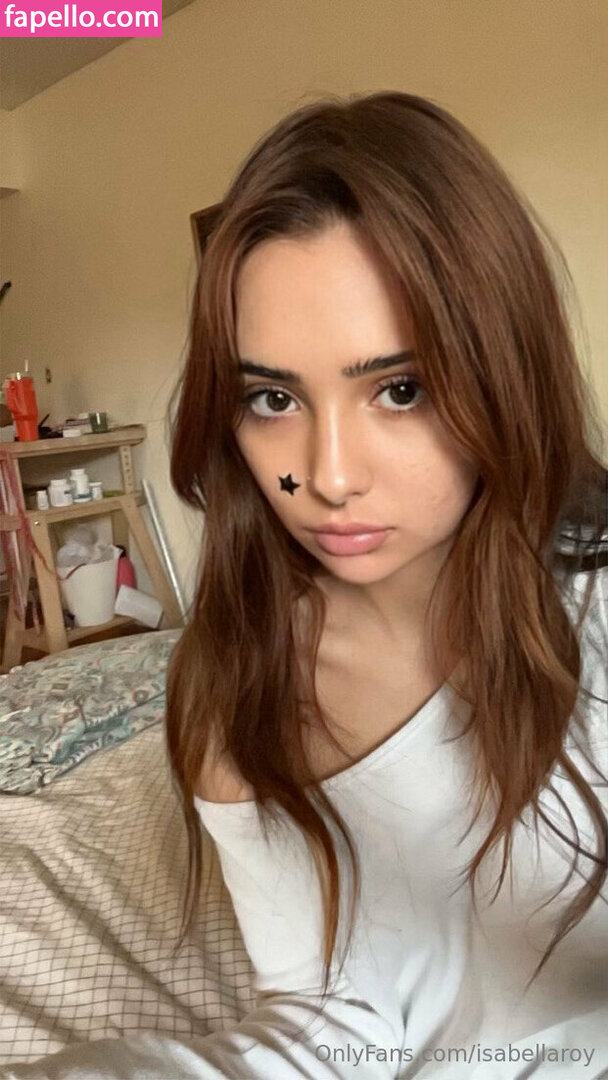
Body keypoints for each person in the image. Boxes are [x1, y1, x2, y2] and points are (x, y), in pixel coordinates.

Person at [2, 90, 607, 1080]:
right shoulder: (234, 685)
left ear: (502, 371)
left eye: (400, 389)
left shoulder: (592, 604)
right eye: (273, 398)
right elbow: (333, 1017)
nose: (326, 477)